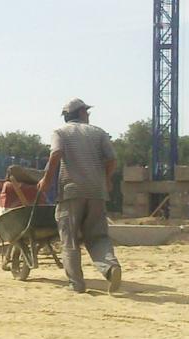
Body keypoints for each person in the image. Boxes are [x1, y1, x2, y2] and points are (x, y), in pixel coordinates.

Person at [37, 98, 121, 294]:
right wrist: (106, 180)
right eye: (87, 112)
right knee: (98, 236)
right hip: (97, 192)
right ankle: (111, 267)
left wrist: (46, 180)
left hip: (71, 192)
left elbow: (56, 153)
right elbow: (112, 159)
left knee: (69, 239)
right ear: (82, 113)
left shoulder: (60, 132)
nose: (89, 115)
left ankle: (77, 284)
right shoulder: (99, 132)